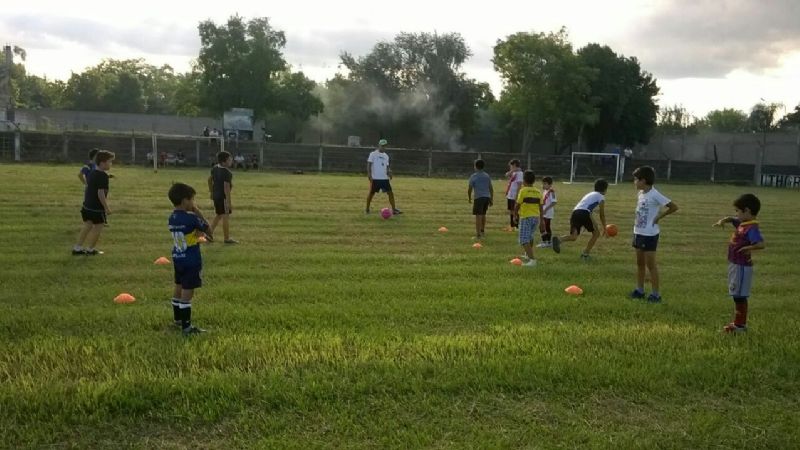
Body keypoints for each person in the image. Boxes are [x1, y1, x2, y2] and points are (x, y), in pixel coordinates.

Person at [713, 194, 765, 333]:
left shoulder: (751, 228)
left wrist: (747, 248)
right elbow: (733, 219)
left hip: (742, 266)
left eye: (738, 211)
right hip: (735, 264)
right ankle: (738, 323)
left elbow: (760, 244)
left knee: (740, 296)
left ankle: (740, 326)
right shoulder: (744, 224)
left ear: (747, 211)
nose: (736, 214)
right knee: (736, 294)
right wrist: (724, 220)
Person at [167, 182, 213, 335]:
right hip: (191, 259)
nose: (193, 203)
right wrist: (197, 212)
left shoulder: (172, 217)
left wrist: (197, 234)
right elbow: (209, 230)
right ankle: (187, 327)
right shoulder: (191, 218)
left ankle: (177, 319)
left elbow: (188, 233)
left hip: (177, 256)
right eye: (192, 200)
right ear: (185, 200)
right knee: (188, 291)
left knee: (178, 286)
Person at [629, 166, 679, 303]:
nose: (634, 182)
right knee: (639, 263)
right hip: (638, 232)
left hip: (649, 235)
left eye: (636, 179)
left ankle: (656, 294)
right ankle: (639, 290)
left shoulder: (655, 194)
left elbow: (673, 207)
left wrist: (659, 217)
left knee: (651, 265)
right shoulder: (641, 194)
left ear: (643, 180)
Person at [554, 179, 610, 260]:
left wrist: (594, 224)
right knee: (596, 234)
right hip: (584, 213)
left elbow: (587, 210)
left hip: (575, 212)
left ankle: (559, 239)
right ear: (605, 189)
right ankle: (585, 255)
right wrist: (605, 228)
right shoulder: (601, 197)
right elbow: (602, 215)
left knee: (574, 237)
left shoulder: (589, 194)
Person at [72, 150, 114, 255]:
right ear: (102, 163)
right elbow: (101, 194)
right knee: (98, 227)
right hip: (97, 208)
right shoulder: (103, 176)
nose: (111, 164)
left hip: (87, 206)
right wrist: (106, 207)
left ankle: (77, 248)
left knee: (87, 225)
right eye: (110, 162)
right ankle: (90, 249)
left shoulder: (92, 173)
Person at [513, 170, 542, 267]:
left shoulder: (523, 190)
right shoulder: (538, 192)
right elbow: (541, 207)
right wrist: (541, 221)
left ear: (524, 181)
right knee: (530, 237)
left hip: (526, 217)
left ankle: (532, 260)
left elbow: (518, 204)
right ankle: (527, 255)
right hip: (536, 218)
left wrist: (515, 215)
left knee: (524, 239)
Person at [208, 151, 237, 244]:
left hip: (216, 196)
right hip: (222, 197)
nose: (231, 161)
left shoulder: (215, 168)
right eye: (229, 159)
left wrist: (211, 192)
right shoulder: (227, 173)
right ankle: (226, 238)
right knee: (225, 216)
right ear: (224, 162)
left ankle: (209, 234)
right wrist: (228, 203)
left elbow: (209, 179)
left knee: (219, 215)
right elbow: (226, 188)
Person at [365, 139, 402, 215]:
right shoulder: (373, 154)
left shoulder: (386, 156)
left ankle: (394, 210)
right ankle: (367, 209)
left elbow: (387, 166)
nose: (383, 147)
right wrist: (369, 174)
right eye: (382, 146)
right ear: (379, 145)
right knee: (371, 194)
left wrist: (389, 172)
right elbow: (369, 164)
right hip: (375, 179)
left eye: (385, 146)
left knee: (390, 193)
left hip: (384, 179)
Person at [467, 159, 493, 240]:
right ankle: (482, 231)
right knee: (483, 214)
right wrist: (491, 198)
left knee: (478, 216)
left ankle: (478, 235)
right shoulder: (487, 175)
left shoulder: (473, 176)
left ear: (475, 166)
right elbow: (491, 188)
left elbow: (470, 188)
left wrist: (469, 197)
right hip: (487, 197)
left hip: (479, 198)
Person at [504, 159, 524, 231]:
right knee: (511, 210)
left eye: (511, 166)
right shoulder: (513, 172)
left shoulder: (520, 173)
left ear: (514, 165)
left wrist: (517, 196)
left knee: (515, 211)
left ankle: (516, 225)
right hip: (510, 194)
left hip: (515, 195)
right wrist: (512, 170)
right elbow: (506, 175)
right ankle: (512, 225)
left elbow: (519, 185)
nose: (510, 167)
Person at [538, 176, 557, 248]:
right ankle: (544, 241)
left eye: (545, 184)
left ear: (550, 184)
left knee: (546, 226)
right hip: (543, 212)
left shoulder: (551, 192)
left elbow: (554, 202)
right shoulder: (544, 191)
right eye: (543, 184)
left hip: (548, 213)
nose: (543, 185)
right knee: (541, 227)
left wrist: (546, 209)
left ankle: (548, 242)